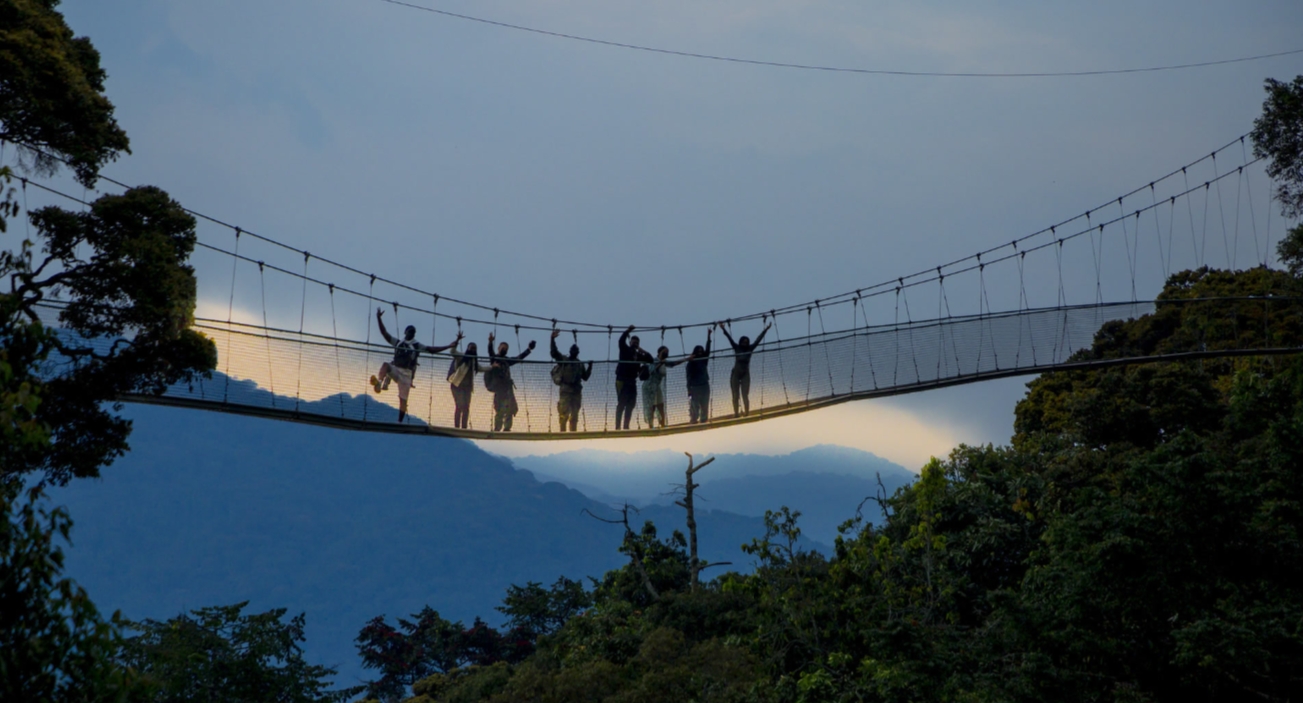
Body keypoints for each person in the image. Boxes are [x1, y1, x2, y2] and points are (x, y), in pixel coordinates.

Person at [371, 307, 461, 423]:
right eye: (409, 331)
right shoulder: (399, 342)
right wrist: (378, 318)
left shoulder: (416, 345)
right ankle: (379, 381)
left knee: (403, 401)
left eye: (412, 332)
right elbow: (384, 333)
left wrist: (448, 346)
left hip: (407, 375)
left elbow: (432, 349)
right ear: (405, 332)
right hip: (397, 369)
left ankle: (399, 422)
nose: (411, 333)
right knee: (386, 365)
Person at [719, 320, 771, 417]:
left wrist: (766, 330)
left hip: (745, 374)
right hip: (736, 373)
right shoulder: (737, 347)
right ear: (740, 342)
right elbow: (729, 339)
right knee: (735, 395)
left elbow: (758, 340)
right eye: (743, 342)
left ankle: (746, 413)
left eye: (746, 342)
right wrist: (723, 329)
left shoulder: (750, 348)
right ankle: (736, 413)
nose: (745, 344)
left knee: (745, 395)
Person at [486, 332, 536, 432]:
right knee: (499, 409)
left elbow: (519, 358)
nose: (504, 349)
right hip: (499, 389)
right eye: (502, 347)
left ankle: (507, 428)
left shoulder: (507, 361)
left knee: (509, 409)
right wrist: (490, 342)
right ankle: (497, 428)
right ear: (498, 348)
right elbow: (490, 352)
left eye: (506, 348)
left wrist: (529, 349)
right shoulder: (494, 359)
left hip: (507, 389)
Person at [549, 329, 593, 432]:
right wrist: (552, 339)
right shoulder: (564, 360)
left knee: (574, 415)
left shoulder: (579, 364)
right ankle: (562, 432)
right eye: (573, 351)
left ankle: (573, 432)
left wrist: (590, 367)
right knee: (563, 414)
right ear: (570, 352)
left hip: (576, 392)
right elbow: (554, 353)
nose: (574, 352)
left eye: (576, 351)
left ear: (577, 353)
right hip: (565, 391)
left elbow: (585, 377)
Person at [615, 325, 654, 430]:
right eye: (633, 342)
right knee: (622, 403)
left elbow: (650, 359)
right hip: (622, 380)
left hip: (632, 381)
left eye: (637, 343)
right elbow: (621, 341)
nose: (635, 344)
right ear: (630, 342)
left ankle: (626, 426)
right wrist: (628, 331)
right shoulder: (624, 350)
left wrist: (641, 350)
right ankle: (617, 426)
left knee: (631, 404)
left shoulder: (638, 355)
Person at [447, 339, 489, 429]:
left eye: (474, 349)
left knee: (466, 407)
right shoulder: (461, 357)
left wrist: (492, 368)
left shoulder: (473, 361)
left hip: (467, 387)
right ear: (467, 348)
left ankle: (464, 427)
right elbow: (452, 351)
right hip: (457, 385)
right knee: (460, 405)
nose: (473, 350)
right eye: (471, 348)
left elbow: (481, 368)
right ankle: (457, 426)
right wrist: (457, 340)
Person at [642, 345, 686, 429]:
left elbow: (673, 363)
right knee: (652, 405)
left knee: (660, 404)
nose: (666, 353)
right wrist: (661, 361)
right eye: (665, 352)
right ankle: (651, 425)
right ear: (660, 352)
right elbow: (652, 370)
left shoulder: (664, 362)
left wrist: (686, 359)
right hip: (650, 386)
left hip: (657, 386)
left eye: (667, 352)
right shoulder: (654, 360)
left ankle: (662, 423)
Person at [684, 327, 713, 424]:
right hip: (695, 386)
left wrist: (709, 337)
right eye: (698, 351)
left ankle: (704, 420)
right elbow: (688, 376)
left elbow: (708, 350)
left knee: (705, 404)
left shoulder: (704, 360)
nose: (700, 353)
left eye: (701, 351)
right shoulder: (691, 363)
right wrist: (689, 388)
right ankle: (693, 420)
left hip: (705, 385)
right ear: (695, 352)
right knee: (694, 405)